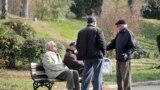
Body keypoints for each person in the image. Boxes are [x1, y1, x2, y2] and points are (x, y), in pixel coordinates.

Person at [76, 16, 106, 90]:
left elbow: (78, 45)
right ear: (95, 23)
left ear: (87, 23)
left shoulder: (81, 32)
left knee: (86, 76)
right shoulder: (98, 30)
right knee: (97, 76)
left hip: (86, 58)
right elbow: (102, 43)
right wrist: (104, 52)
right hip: (97, 57)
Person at [106, 20, 136, 90]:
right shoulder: (119, 33)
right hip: (118, 59)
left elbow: (133, 47)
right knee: (119, 79)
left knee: (126, 78)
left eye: (118, 25)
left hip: (125, 60)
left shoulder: (129, 33)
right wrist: (104, 48)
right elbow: (113, 44)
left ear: (123, 25)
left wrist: (127, 54)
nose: (117, 27)